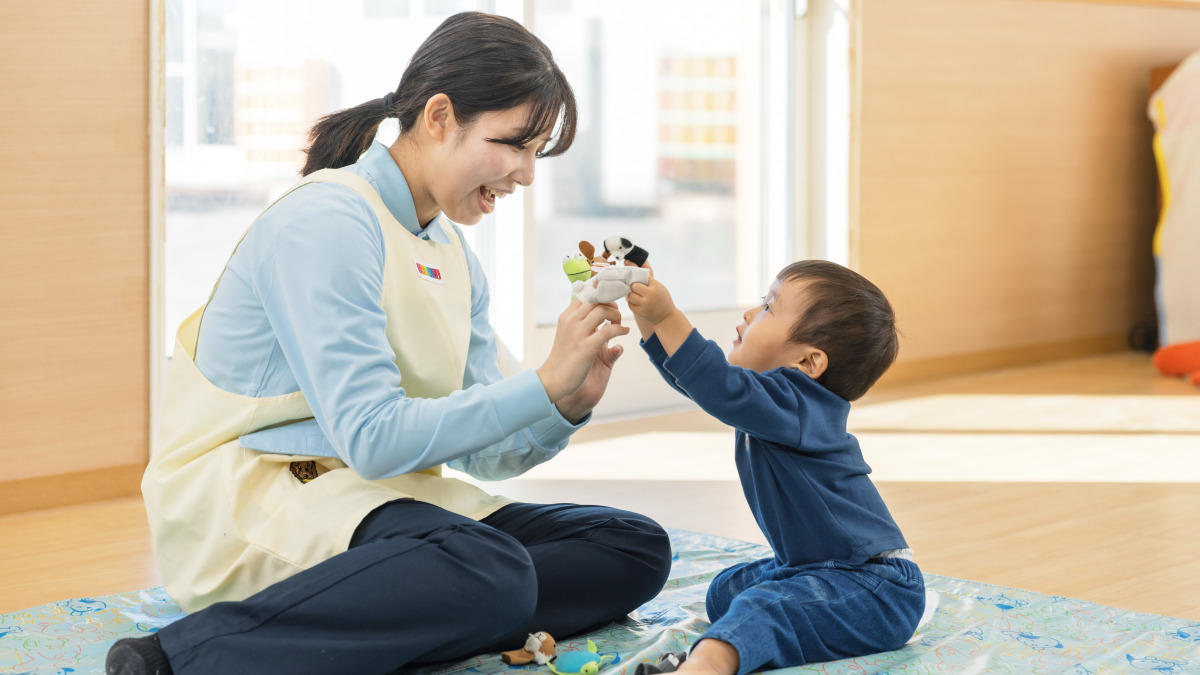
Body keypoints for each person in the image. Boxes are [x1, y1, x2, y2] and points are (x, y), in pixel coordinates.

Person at [107, 12, 671, 675]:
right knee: (493, 571)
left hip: (381, 493)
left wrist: (567, 399)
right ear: (438, 117)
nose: (524, 174)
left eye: (534, 152)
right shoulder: (328, 220)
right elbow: (372, 436)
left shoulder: (450, 250)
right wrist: (542, 382)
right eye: (513, 144)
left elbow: (489, 455)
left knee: (631, 545)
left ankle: (430, 608)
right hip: (258, 492)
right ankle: (173, 659)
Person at [624, 260, 926, 675]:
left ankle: (704, 668)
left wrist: (667, 317)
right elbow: (697, 382)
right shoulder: (771, 404)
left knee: (762, 606)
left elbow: (717, 385)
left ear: (807, 363)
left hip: (876, 588)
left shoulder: (799, 404)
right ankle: (754, 634)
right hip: (816, 568)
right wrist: (647, 319)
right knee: (724, 592)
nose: (750, 314)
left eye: (768, 307)